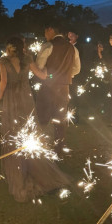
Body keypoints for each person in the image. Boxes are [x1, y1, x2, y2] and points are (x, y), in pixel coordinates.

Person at [0, 37, 70, 202]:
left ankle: (18, 170)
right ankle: (36, 167)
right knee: (29, 131)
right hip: (26, 99)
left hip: (11, 100)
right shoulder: (28, 59)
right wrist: (52, 71)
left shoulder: (3, 61)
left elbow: (4, 82)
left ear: (9, 47)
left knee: (13, 133)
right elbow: (42, 75)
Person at [36, 23, 80, 153]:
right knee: (60, 119)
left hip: (48, 87)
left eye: (45, 32)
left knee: (42, 116)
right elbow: (77, 69)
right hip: (64, 88)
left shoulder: (48, 45)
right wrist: (65, 74)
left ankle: (38, 146)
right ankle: (59, 148)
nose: (45, 35)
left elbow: (39, 66)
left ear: (50, 29)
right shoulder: (72, 48)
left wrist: (49, 75)